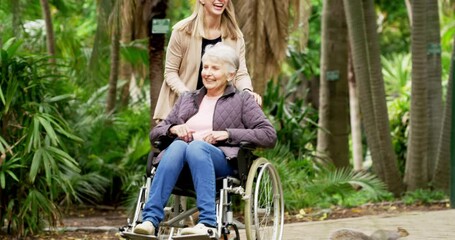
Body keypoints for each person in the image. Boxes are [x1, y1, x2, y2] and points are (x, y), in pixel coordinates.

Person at [134, 43, 276, 238]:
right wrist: (173, 129)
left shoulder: (243, 100)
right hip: (179, 165)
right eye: (205, 67)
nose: (207, 73)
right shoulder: (187, 99)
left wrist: (228, 134)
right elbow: (155, 133)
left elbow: (269, 135)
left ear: (231, 75)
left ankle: (207, 222)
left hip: (221, 162)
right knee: (177, 145)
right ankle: (150, 220)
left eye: (215, 68)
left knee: (197, 147)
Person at [153, 0, 262, 121]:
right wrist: (186, 95)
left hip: (218, 114)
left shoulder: (235, 36)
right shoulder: (182, 31)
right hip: (181, 112)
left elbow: (240, 73)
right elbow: (170, 72)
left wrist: (247, 90)